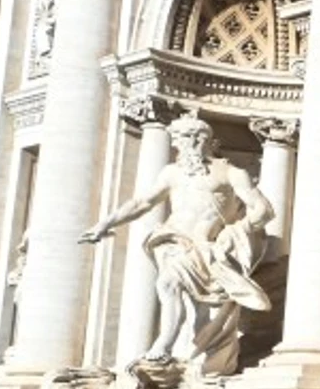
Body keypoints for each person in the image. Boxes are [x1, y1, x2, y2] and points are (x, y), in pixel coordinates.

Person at [81, 115, 275, 374]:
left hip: (207, 248)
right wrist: (105, 224)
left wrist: (237, 231)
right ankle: (164, 344)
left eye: (180, 139)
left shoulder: (230, 173)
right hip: (173, 240)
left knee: (203, 311)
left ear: (199, 139)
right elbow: (142, 203)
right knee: (167, 283)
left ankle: (196, 360)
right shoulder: (172, 173)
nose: (175, 145)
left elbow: (263, 209)